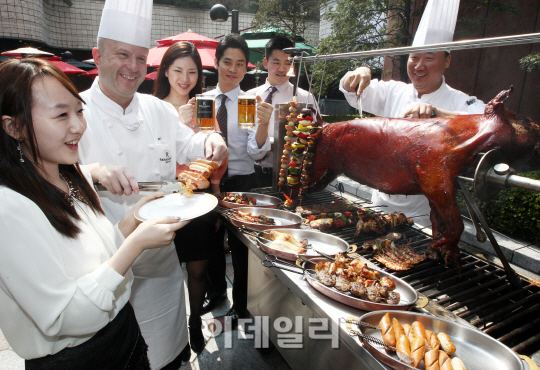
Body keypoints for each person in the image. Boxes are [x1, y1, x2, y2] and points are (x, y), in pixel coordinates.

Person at [0, 58, 189, 370]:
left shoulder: (70, 176)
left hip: (124, 337)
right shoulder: (10, 209)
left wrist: (133, 222)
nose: (78, 126)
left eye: (79, 110)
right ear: (14, 126)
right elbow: (67, 317)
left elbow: (97, 258)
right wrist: (136, 244)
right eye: (61, 115)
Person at [77, 1, 228, 368]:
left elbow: (192, 145)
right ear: (98, 55)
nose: (132, 67)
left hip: (160, 262)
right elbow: (45, 177)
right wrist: (91, 170)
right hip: (102, 261)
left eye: (140, 57)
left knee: (167, 353)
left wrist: (211, 142)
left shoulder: (157, 110)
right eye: (122, 55)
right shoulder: (75, 112)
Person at [339, 0, 485, 228]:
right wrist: (359, 72)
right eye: (414, 57)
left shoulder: (460, 100)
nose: (419, 65)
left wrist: (438, 113)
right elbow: (354, 90)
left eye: (429, 57)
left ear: (447, 60)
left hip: (425, 216)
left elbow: (482, 121)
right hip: (380, 205)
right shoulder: (394, 91)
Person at [152, 41, 226, 354]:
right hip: (163, 199)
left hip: (198, 198)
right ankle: (169, 334)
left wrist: (217, 188)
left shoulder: (204, 107)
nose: (185, 78)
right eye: (178, 70)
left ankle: (194, 320)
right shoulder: (151, 108)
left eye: (192, 72)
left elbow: (218, 156)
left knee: (198, 269)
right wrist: (179, 126)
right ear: (165, 71)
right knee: (163, 273)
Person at [203, 34, 273, 323]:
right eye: (227, 62)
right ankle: (216, 290)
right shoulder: (204, 101)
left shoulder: (247, 102)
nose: (233, 69)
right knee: (210, 241)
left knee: (241, 248)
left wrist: (264, 124)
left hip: (241, 182)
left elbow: (254, 151)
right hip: (208, 183)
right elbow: (198, 143)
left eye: (240, 64)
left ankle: (240, 306)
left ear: (247, 68)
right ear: (217, 62)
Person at [247, 35, 314, 188]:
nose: (282, 69)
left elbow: (313, 138)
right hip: (255, 174)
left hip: (293, 175)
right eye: (276, 62)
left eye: (288, 63)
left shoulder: (305, 97)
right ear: (265, 62)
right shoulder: (248, 97)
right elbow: (246, 140)